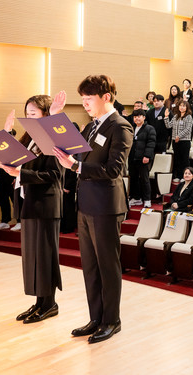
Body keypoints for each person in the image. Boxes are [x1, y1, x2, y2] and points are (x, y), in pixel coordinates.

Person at [52, 75, 133, 344]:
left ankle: (112, 320)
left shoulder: (120, 126)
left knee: (107, 266)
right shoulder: (90, 126)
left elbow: (114, 169)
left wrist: (76, 166)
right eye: (83, 98)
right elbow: (69, 148)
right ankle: (96, 318)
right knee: (90, 266)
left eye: (89, 98)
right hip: (86, 204)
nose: (84, 103)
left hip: (106, 206)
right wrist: (55, 118)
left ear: (106, 97)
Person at [128, 109, 156, 208]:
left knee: (144, 179)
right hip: (133, 157)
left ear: (144, 117)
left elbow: (151, 143)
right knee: (133, 178)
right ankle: (136, 198)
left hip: (143, 158)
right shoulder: (132, 128)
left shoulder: (149, 128)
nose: (137, 118)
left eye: (139, 116)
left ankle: (147, 199)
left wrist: (147, 156)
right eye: (135, 117)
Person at [164, 99, 193, 180]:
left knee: (184, 160)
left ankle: (186, 176)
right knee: (177, 159)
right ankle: (178, 176)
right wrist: (166, 117)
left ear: (187, 107)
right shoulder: (176, 116)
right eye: (180, 105)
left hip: (184, 141)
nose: (181, 107)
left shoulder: (189, 117)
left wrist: (179, 136)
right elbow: (168, 126)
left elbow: (188, 129)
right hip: (175, 141)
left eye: (183, 106)